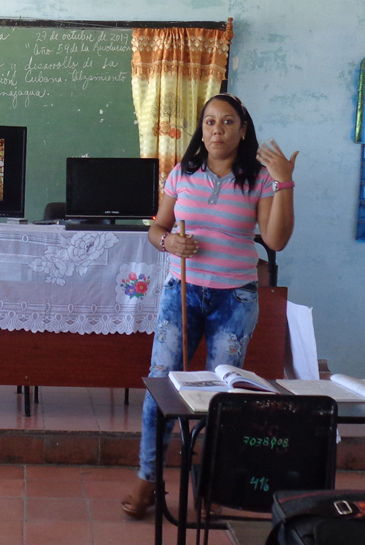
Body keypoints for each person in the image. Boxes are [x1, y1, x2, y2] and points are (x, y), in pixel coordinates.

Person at [121, 93, 298, 518]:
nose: (217, 130)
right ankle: (149, 480)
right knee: (161, 387)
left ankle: (211, 484)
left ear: (242, 129)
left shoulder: (258, 178)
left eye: (227, 122)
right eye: (210, 122)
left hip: (234, 299)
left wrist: (284, 181)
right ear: (202, 129)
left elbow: (275, 241)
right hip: (181, 292)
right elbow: (157, 227)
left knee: (222, 395)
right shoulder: (183, 173)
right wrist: (169, 242)